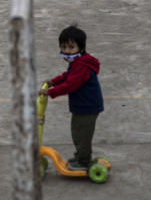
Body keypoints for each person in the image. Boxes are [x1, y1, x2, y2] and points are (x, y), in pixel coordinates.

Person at [38, 25, 104, 171]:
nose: (66, 51)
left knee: (82, 135)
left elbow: (70, 85)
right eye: (63, 47)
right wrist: (53, 81)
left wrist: (50, 92)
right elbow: (67, 76)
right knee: (77, 133)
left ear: (81, 48)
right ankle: (80, 156)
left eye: (71, 47)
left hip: (87, 107)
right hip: (83, 106)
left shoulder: (81, 66)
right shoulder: (77, 63)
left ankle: (84, 161)